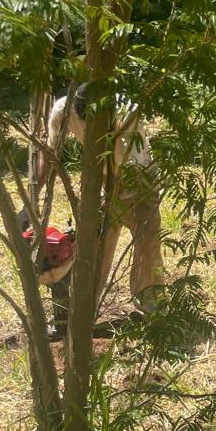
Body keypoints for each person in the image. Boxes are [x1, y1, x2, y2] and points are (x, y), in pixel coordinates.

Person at [41, 83, 167, 315]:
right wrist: (34, 202)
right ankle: (84, 307)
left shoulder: (127, 113)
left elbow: (129, 165)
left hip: (137, 173)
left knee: (147, 236)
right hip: (100, 173)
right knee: (94, 240)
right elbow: (49, 154)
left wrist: (110, 200)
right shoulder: (63, 108)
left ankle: (150, 303)